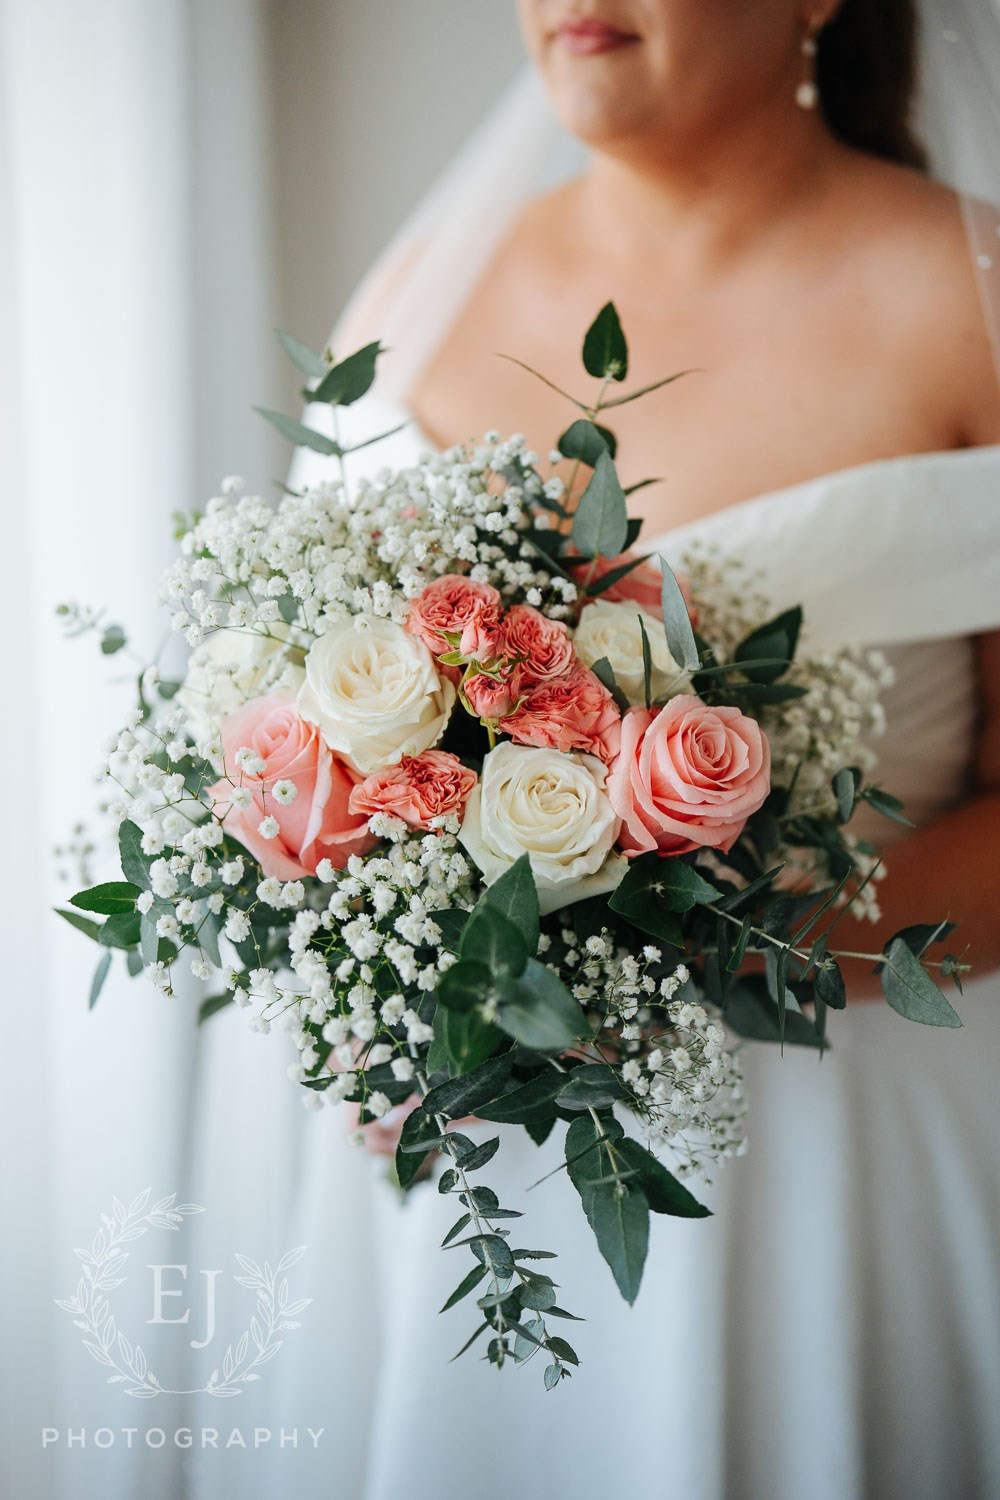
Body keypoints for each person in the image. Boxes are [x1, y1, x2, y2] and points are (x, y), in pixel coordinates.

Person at [280, 4, 1000, 1497]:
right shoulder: (422, 293)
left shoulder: (976, 294)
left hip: (837, 1197)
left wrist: (694, 978)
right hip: (466, 1200)